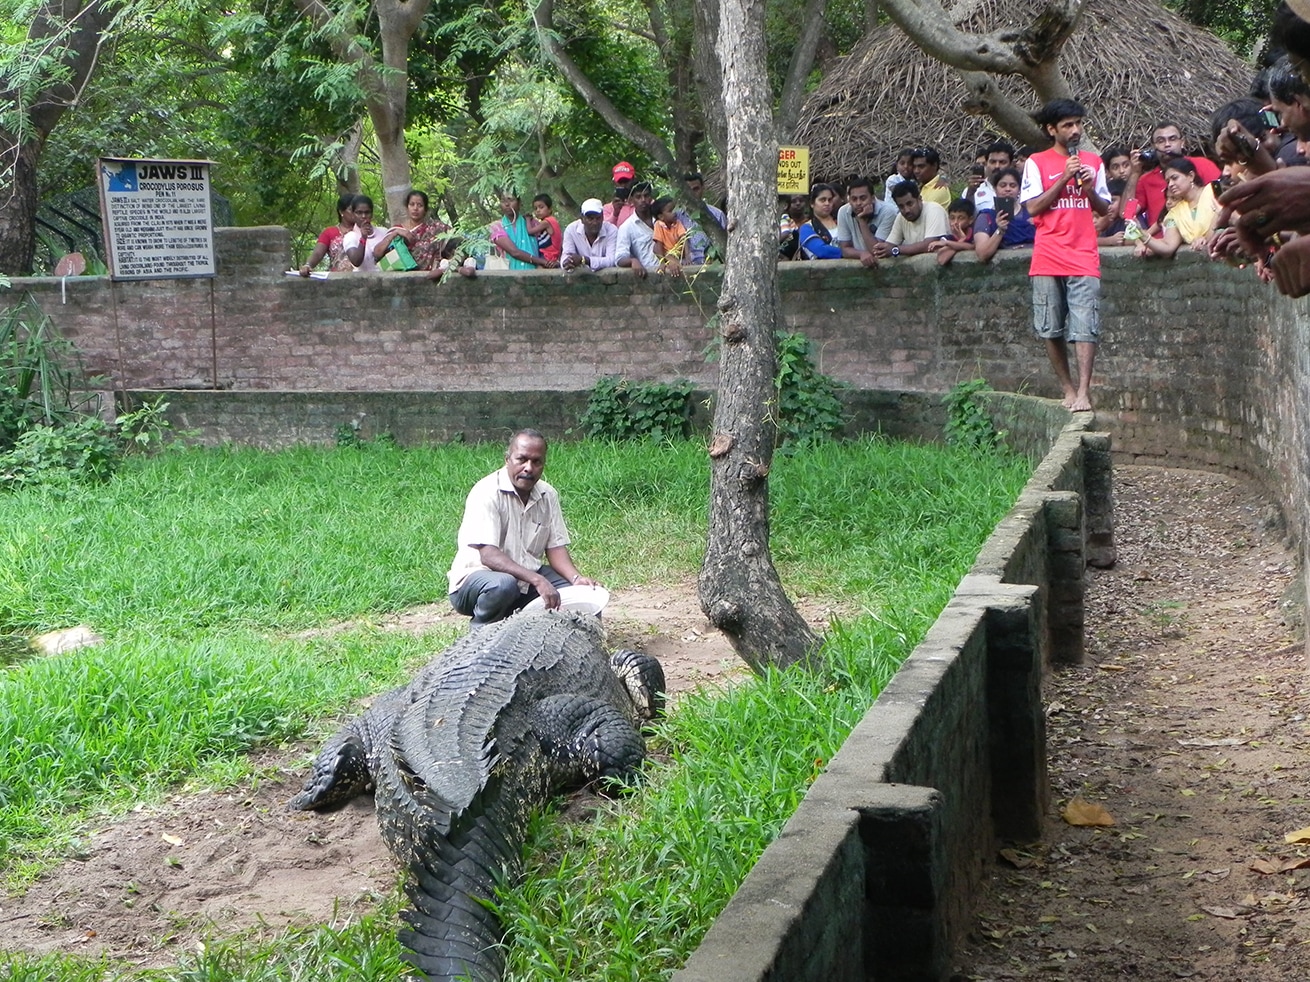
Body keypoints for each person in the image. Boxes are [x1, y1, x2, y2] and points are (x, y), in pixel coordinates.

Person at [447, 429, 598, 628]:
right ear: (507, 459)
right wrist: (537, 580)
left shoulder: (547, 494)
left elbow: (556, 548)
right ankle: (480, 635)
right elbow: (488, 556)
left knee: (584, 596)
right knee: (503, 585)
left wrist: (576, 578)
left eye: (537, 462)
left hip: (525, 581)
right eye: (522, 459)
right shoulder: (486, 492)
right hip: (477, 581)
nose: (529, 468)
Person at [1020, 99, 1110, 413]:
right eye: (1068, 125)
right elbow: (1032, 207)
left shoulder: (1093, 162)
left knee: (1086, 324)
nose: (1075, 131)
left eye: (1078, 124)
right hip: (1048, 254)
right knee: (1050, 326)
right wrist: (1062, 179)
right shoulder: (1036, 162)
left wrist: (1087, 188)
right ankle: (1068, 389)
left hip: (1084, 252)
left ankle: (1084, 392)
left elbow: (1105, 209)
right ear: (1051, 129)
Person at [1131, 122, 1222, 227]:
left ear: (1182, 142)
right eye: (1161, 141)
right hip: (1159, 240)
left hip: (1200, 238)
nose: (1167, 144)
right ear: (1153, 146)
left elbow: (1221, 198)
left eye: (1172, 139)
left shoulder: (1203, 164)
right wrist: (1134, 173)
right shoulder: (1146, 180)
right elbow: (1127, 213)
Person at [1133, 158, 1219, 258]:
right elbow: (1168, 247)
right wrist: (1140, 233)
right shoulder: (1174, 213)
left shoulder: (1214, 191)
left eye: (1175, 178)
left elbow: (1224, 213)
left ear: (1191, 176)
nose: (1170, 185)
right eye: (1168, 181)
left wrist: (1206, 238)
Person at [373, 189, 449, 271]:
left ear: (425, 210)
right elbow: (377, 254)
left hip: (429, 277)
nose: (415, 208)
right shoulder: (397, 229)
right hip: (400, 279)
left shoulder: (436, 228)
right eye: (412, 204)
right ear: (407, 207)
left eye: (420, 205)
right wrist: (395, 233)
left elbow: (457, 241)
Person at [872, 180, 951, 258]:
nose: (906, 210)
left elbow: (930, 245)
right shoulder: (900, 217)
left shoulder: (934, 210)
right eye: (901, 206)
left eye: (910, 204)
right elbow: (889, 245)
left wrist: (895, 250)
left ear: (919, 199)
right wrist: (881, 249)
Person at [299, 192, 358, 276]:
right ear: (341, 211)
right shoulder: (329, 232)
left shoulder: (364, 231)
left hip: (361, 278)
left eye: (357, 210)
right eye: (351, 210)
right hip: (336, 279)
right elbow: (318, 254)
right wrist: (308, 265)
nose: (355, 213)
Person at [617, 182, 666, 275]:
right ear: (631, 200)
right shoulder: (627, 227)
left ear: (651, 197)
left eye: (646, 195)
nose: (643, 200)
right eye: (638, 197)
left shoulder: (663, 218)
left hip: (672, 270)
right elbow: (619, 258)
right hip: (649, 276)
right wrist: (633, 261)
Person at [835, 176, 885, 267]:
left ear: (873, 198)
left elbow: (876, 251)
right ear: (849, 200)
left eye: (863, 198)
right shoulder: (843, 211)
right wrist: (861, 254)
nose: (858, 203)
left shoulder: (888, 212)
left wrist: (862, 221)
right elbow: (844, 249)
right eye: (854, 199)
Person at [679, 171, 727, 264]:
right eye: (689, 190)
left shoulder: (717, 215)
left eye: (696, 189)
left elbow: (725, 243)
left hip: (712, 266)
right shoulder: (677, 217)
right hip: (685, 269)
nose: (692, 194)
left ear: (702, 188)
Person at [489, 190, 544, 270]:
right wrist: (542, 261)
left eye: (511, 200)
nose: (507, 204)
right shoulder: (497, 227)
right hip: (508, 278)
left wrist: (545, 264)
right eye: (503, 201)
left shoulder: (533, 224)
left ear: (519, 202)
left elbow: (546, 246)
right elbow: (514, 252)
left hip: (534, 276)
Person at [561, 198, 619, 271]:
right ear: (582, 219)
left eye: (598, 218)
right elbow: (567, 255)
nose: (595, 223)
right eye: (590, 219)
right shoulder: (571, 230)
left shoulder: (611, 230)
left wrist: (585, 260)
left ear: (603, 217)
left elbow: (612, 260)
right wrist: (567, 262)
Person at [342, 194, 387, 272]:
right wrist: (363, 238)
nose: (363, 216)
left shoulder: (384, 232)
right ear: (353, 215)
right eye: (359, 213)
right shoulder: (350, 237)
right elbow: (356, 262)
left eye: (367, 212)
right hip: (363, 282)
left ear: (372, 214)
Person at [798, 183, 842, 259]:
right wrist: (849, 252)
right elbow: (821, 251)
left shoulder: (841, 222)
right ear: (812, 203)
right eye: (822, 200)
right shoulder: (807, 228)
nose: (827, 203)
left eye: (830, 200)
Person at [528, 194, 563, 268]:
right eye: (535, 208)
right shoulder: (552, 220)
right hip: (553, 255)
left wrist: (527, 219)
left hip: (547, 256)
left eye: (541, 207)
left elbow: (530, 231)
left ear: (549, 209)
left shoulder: (547, 222)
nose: (538, 210)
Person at [652, 196, 688, 265]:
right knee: (655, 248)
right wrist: (662, 263)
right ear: (661, 216)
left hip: (678, 253)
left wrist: (687, 256)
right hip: (666, 254)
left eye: (674, 209)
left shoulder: (677, 223)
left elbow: (684, 238)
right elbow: (659, 244)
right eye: (670, 211)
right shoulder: (658, 225)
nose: (674, 212)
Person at [603, 162, 637, 228]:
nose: (623, 185)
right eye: (620, 182)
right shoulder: (608, 209)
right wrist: (615, 213)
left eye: (626, 181)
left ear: (633, 180)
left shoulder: (644, 203)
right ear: (615, 183)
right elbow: (604, 230)